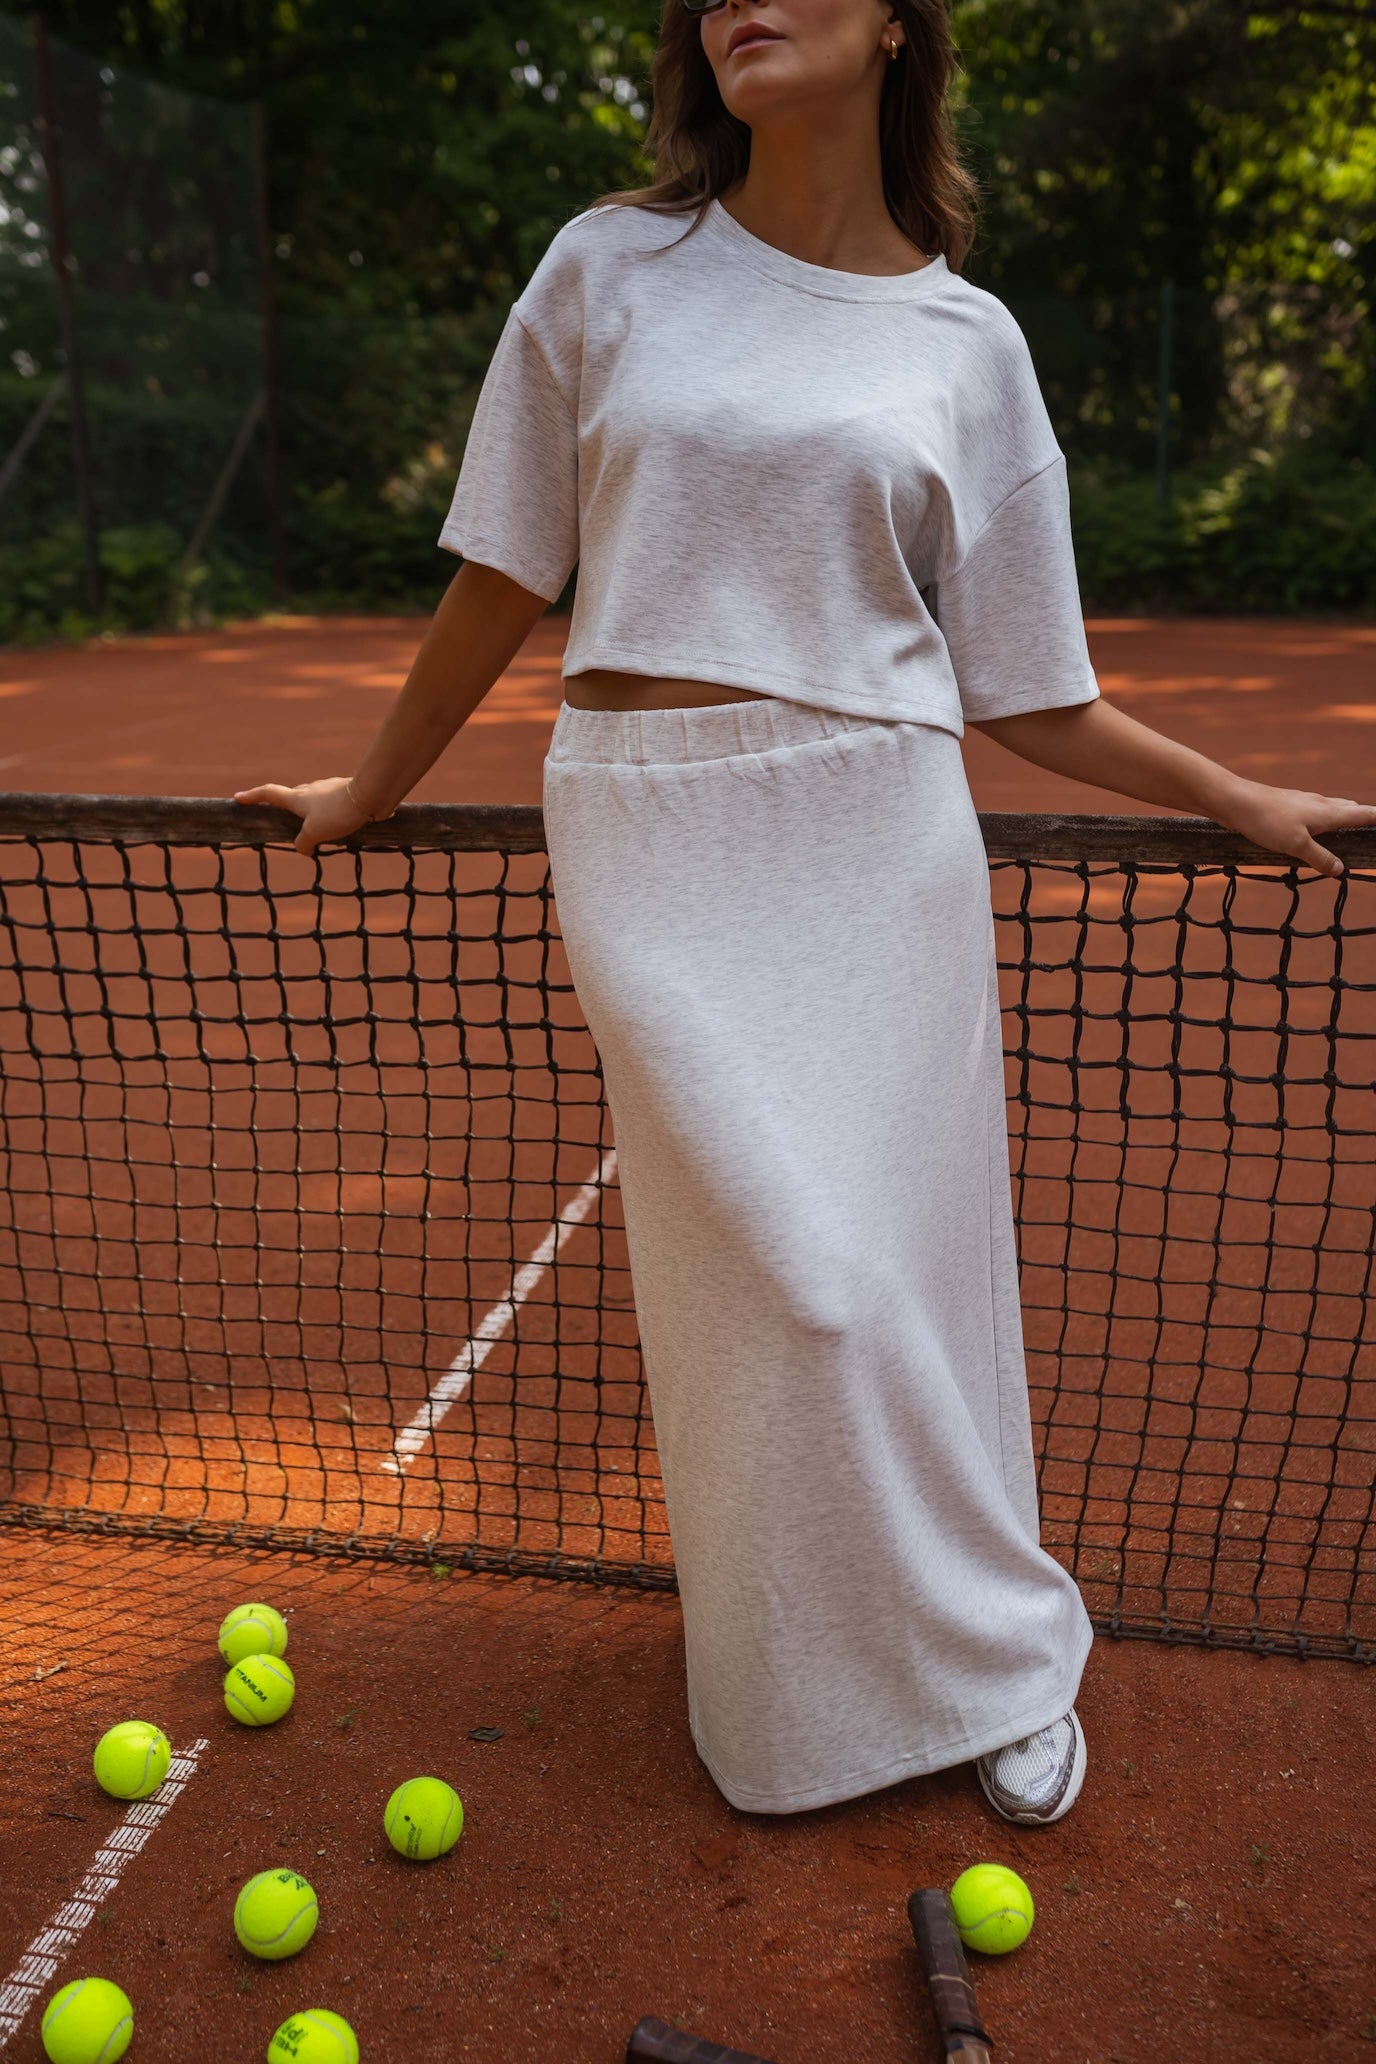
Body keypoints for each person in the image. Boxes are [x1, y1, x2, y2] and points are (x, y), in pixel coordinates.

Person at [235, 0, 1374, 1824]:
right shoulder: (609, 268)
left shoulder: (969, 343)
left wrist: (1228, 791)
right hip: (646, 832)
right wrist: (372, 786)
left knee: (894, 1279)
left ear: (899, 27)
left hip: (877, 840)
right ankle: (792, 1694)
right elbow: (505, 567)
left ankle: (999, 1655)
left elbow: (1028, 686)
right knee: (778, 1292)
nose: (731, 2)